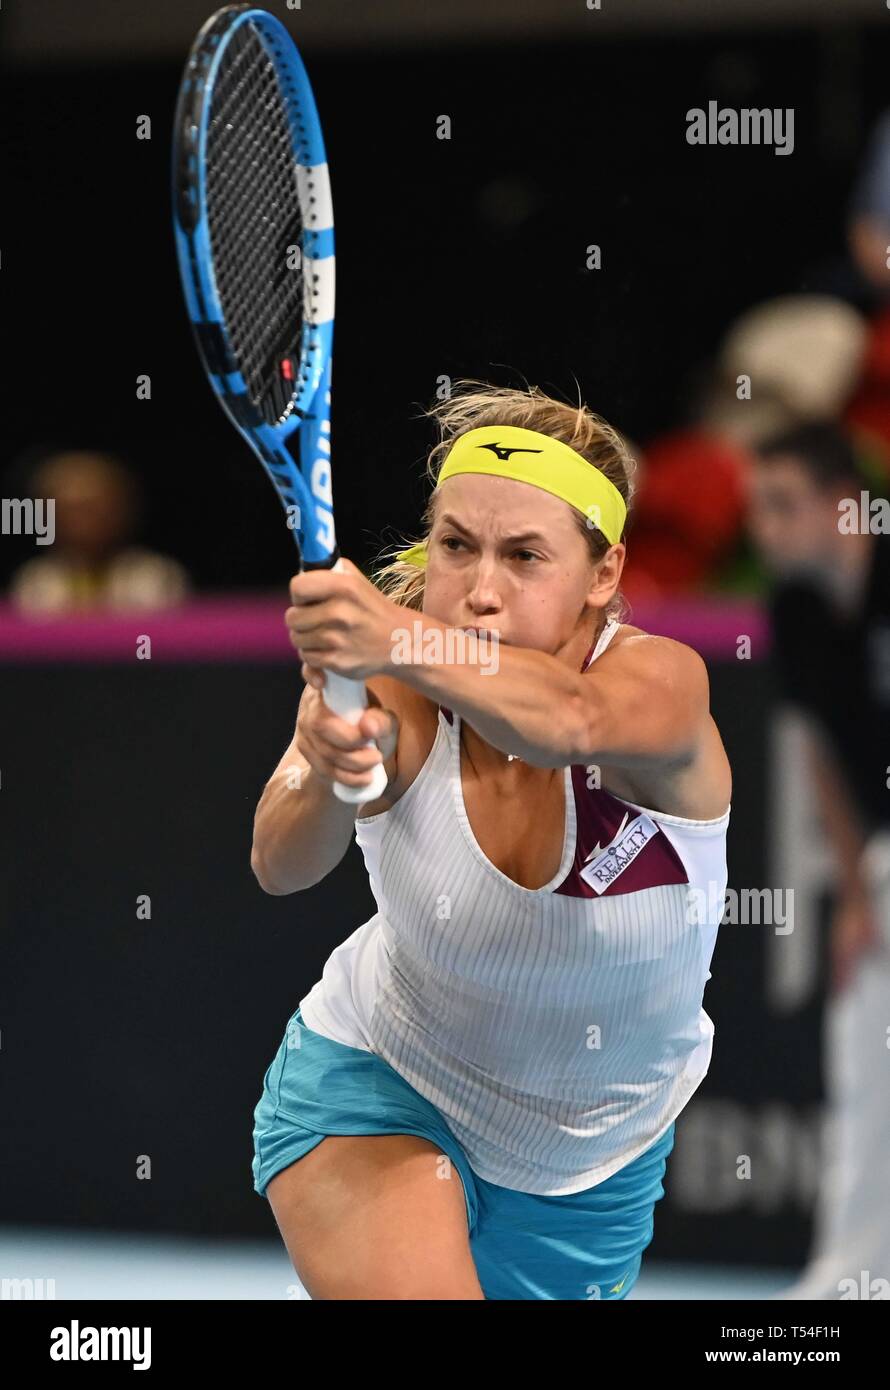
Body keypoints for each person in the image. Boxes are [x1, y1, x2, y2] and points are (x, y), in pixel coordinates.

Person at [250, 381, 732, 1300]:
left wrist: (390, 632)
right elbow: (279, 864)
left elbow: (570, 723)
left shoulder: (659, 685)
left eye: (523, 557)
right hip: (380, 1086)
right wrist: (323, 766)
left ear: (603, 575)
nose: (478, 590)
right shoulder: (394, 687)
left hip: (591, 1170)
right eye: (456, 546)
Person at [746, 421, 890, 1300]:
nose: (764, 529)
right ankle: (853, 1278)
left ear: (846, 502)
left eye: (782, 506)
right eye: (757, 508)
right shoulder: (793, 607)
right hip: (885, 857)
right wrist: (854, 895)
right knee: (863, 1043)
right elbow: (821, 756)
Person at [8, 450, 190, 613]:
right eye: (68, 509)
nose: (80, 522)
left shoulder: (158, 576)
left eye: (91, 508)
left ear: (123, 509)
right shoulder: (34, 581)